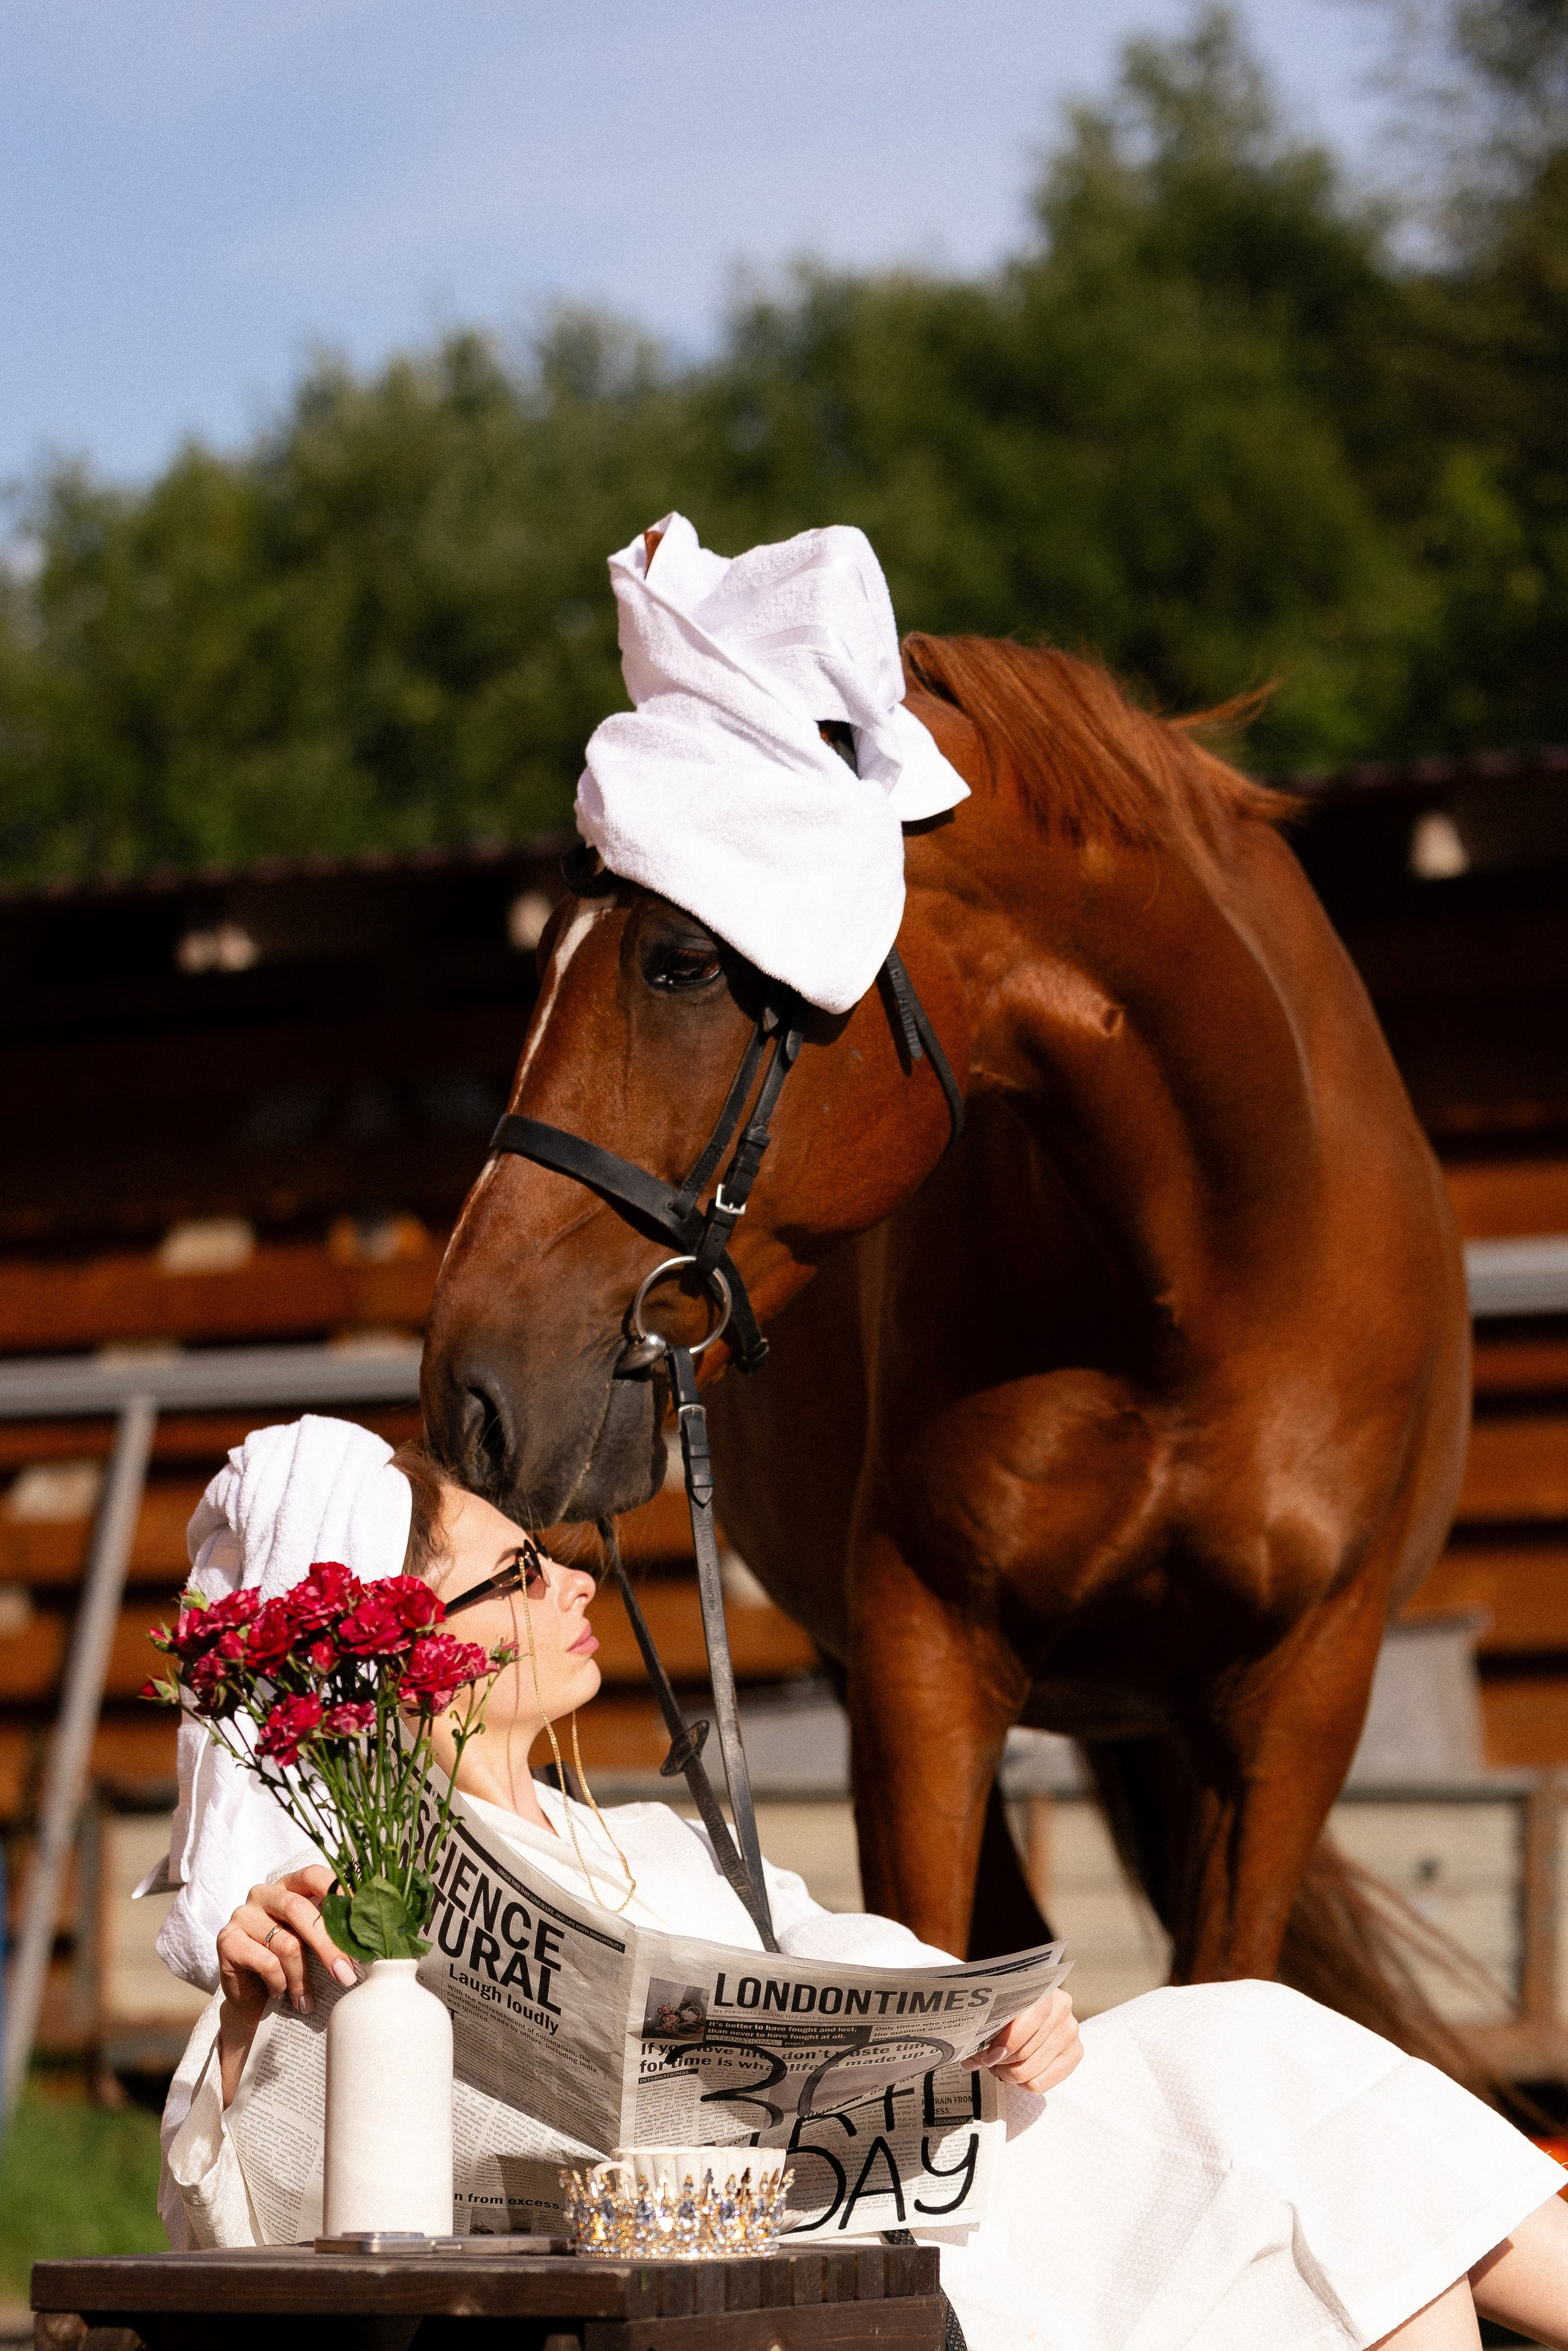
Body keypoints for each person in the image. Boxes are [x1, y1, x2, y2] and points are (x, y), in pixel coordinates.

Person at [157, 1421, 1568, 2349]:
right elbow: (254, 2205)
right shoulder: (348, 1901)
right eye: (523, 1571)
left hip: (946, 2183)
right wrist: (237, 2025)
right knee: (1312, 2154)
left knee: (1319, 2163)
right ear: (420, 1657)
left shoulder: (651, 1841)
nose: (577, 1580)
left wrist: (1017, 2019)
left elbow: (864, 1961)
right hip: (817, 2279)